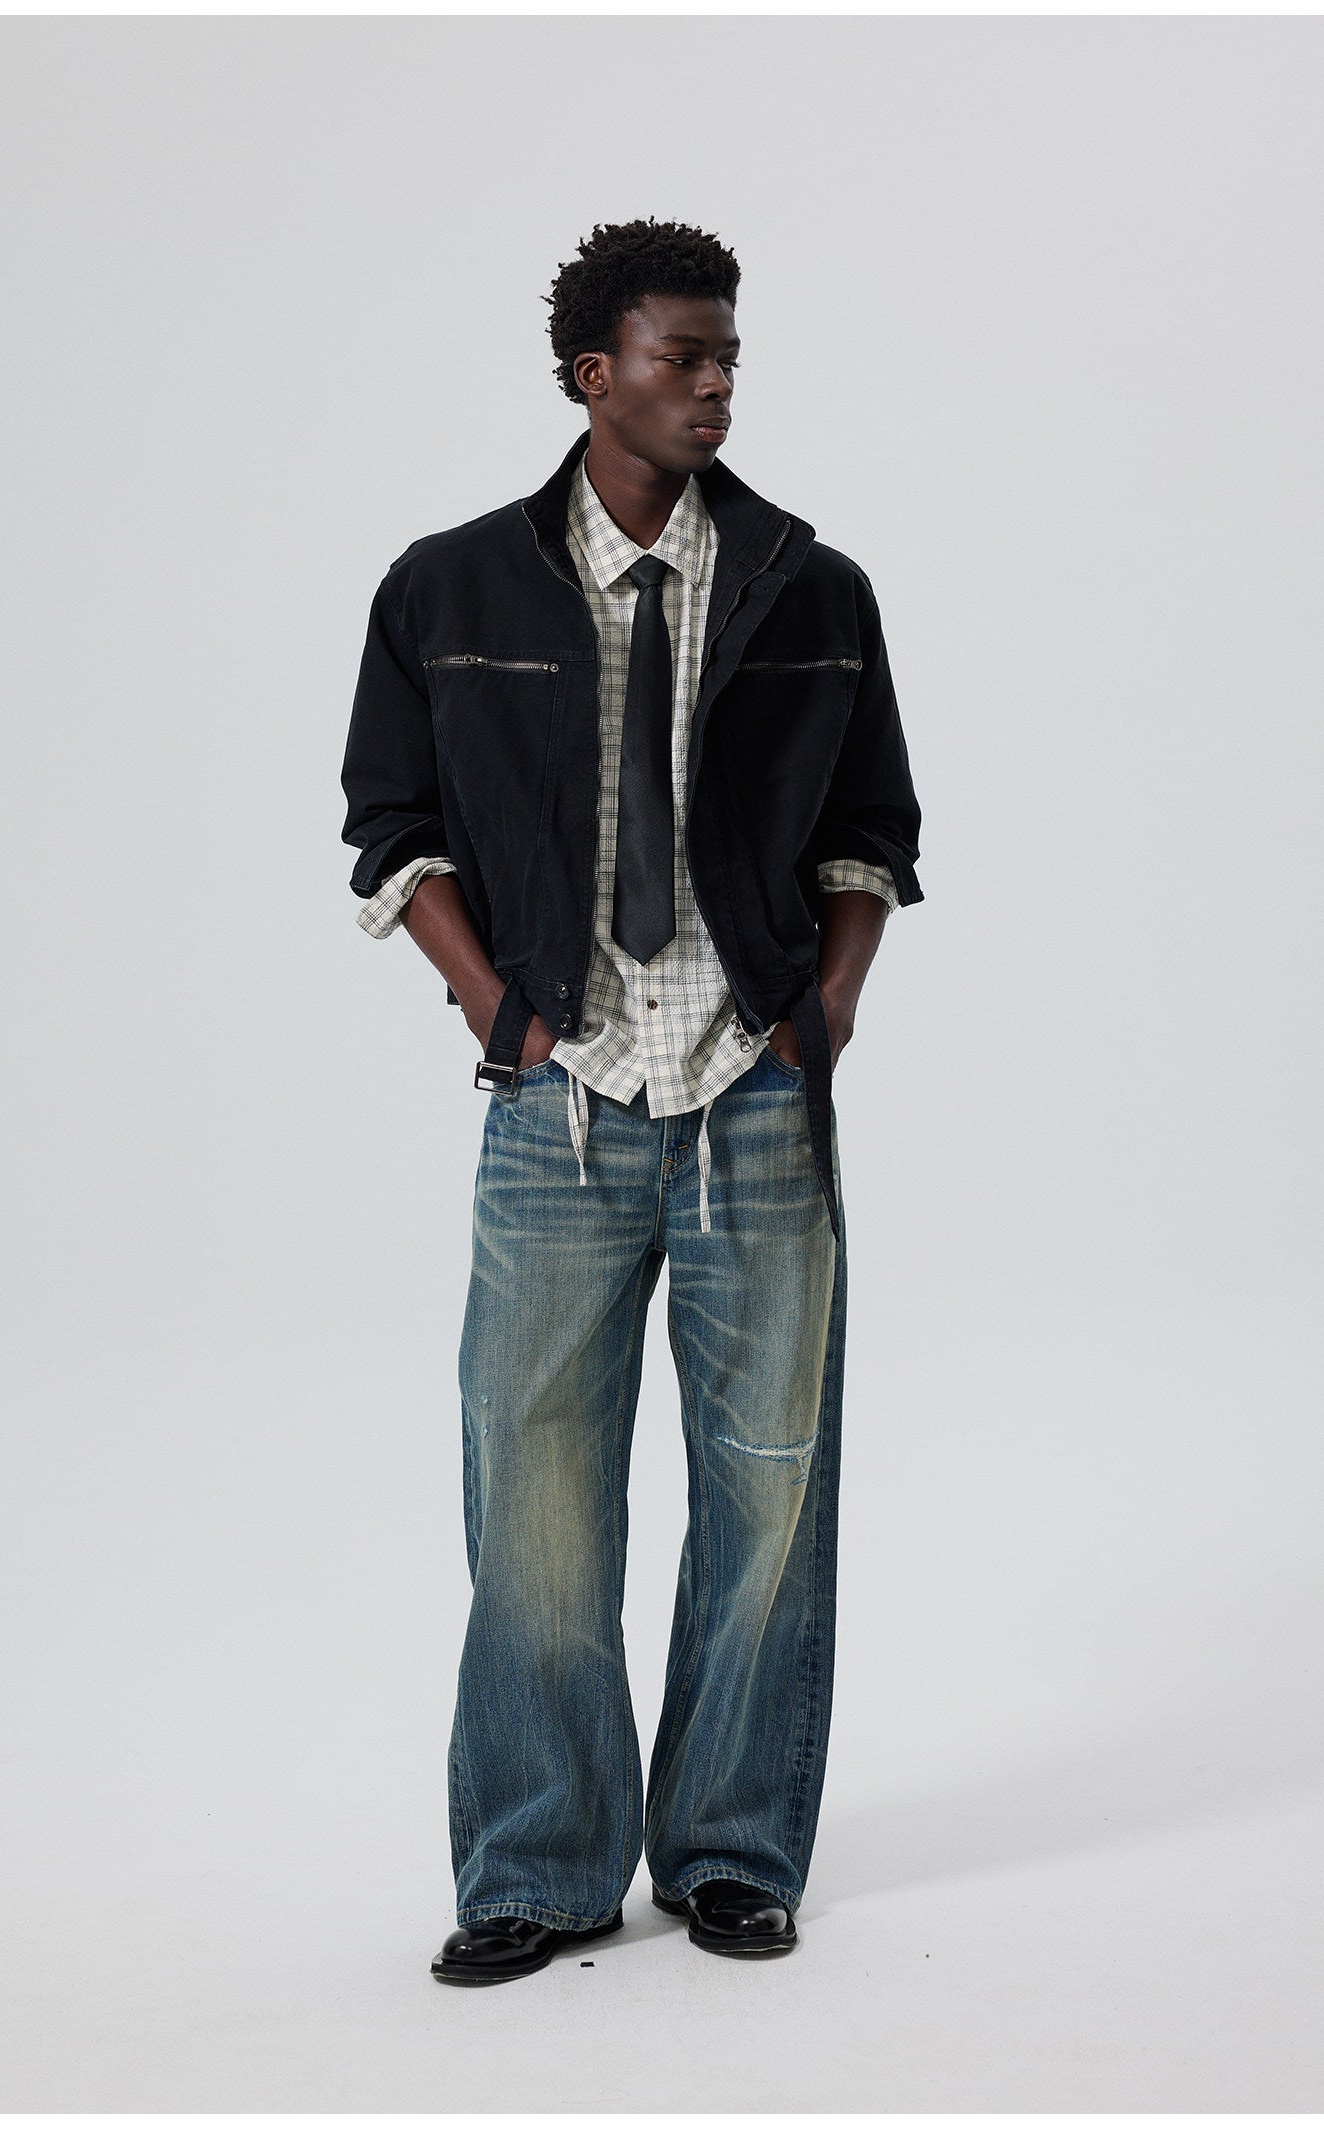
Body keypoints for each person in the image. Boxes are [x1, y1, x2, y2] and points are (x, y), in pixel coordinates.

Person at [339, 216, 924, 1986]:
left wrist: (823, 1014)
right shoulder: (450, 589)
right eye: (685, 356)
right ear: (595, 374)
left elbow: (873, 831)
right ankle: (539, 1863)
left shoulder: (813, 588)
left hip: (756, 1095)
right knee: (533, 1500)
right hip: (559, 1109)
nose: (717, 384)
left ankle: (734, 1850)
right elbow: (392, 827)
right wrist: (498, 1011)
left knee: (769, 1497)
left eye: (730, 354)